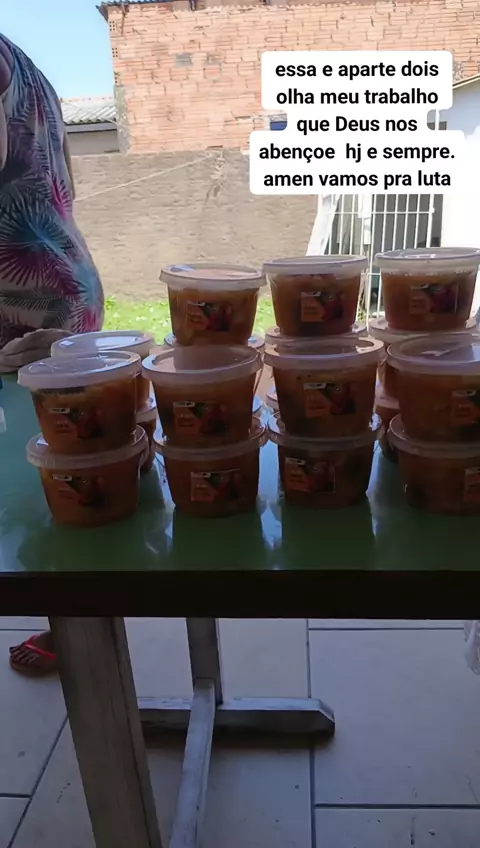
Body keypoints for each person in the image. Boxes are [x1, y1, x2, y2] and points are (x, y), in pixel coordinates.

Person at [0, 33, 104, 673]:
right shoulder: (26, 64)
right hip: (59, 280)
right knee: (65, 463)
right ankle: (79, 624)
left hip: (23, 311)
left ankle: (80, 628)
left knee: (51, 475)